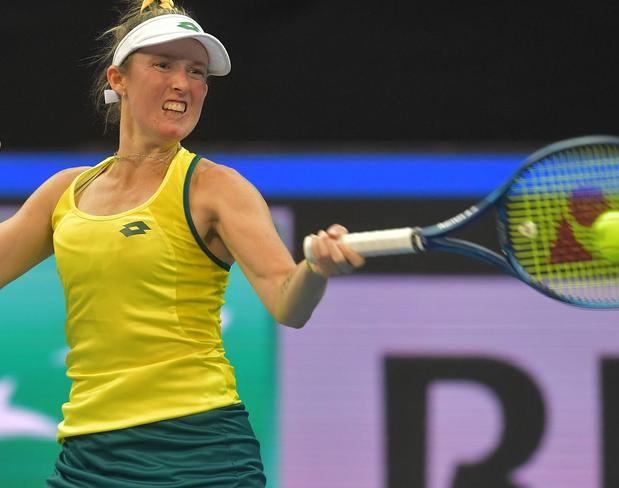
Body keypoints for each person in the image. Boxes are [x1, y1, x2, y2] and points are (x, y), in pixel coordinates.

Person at [0, 0, 364, 486]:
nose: (183, 83)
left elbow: (287, 303)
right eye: (163, 65)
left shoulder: (216, 187)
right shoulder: (63, 192)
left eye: (196, 72)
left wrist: (316, 270)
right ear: (118, 79)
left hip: (199, 451)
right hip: (88, 459)